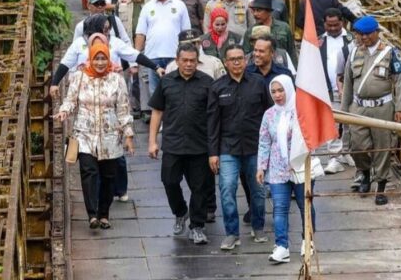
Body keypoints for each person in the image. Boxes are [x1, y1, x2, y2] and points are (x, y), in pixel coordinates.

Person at [54, 43, 134, 229]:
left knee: (108, 175)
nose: (99, 62)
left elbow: (123, 109)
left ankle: (104, 214)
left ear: (108, 59)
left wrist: (128, 135)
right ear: (90, 59)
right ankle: (92, 214)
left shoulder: (116, 80)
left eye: (103, 58)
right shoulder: (79, 77)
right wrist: (63, 111)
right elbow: (70, 100)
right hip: (84, 134)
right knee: (88, 172)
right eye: (96, 58)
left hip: (110, 135)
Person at [148, 43, 214, 244]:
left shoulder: (207, 82)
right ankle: (180, 212)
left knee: (200, 188)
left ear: (197, 62)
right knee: (169, 181)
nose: (188, 64)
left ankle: (197, 226)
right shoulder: (167, 82)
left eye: (192, 61)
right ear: (177, 61)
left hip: (200, 145)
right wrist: (152, 141)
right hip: (173, 143)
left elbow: (214, 115)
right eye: (184, 60)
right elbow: (157, 111)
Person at [209, 44, 272, 250]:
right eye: (232, 59)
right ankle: (232, 233)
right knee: (227, 189)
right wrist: (213, 153)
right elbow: (212, 123)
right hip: (227, 147)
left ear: (246, 61)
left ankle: (258, 226)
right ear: (225, 63)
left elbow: (269, 114)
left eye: (240, 58)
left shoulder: (258, 83)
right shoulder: (217, 87)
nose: (236, 62)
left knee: (258, 190)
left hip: (255, 147)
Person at [340, 16, 401, 205]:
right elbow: (347, 83)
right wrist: (344, 111)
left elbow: (400, 81)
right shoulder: (354, 53)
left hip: (383, 106)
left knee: (383, 147)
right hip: (359, 106)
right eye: (360, 34)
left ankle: (380, 186)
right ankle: (364, 172)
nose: (363, 37)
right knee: (357, 145)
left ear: (376, 32)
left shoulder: (390, 52)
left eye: (367, 34)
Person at [256, 74, 316, 263]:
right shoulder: (270, 114)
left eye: (281, 90)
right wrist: (261, 166)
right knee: (279, 208)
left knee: (304, 204)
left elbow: (311, 136)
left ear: (289, 89)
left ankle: (308, 240)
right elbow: (264, 141)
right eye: (273, 91)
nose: (277, 95)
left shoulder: (301, 110)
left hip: (300, 166)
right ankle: (282, 246)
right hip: (277, 168)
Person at [134, 0, 191, 96]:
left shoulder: (180, 5)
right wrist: (135, 57)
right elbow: (140, 33)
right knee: (155, 95)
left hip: (174, 56)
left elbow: (186, 33)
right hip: (152, 58)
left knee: (176, 93)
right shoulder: (147, 7)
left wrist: (186, 55)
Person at [318, 9, 354, 174]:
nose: (332, 28)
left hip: (351, 90)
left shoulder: (351, 40)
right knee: (332, 124)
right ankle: (334, 157)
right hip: (328, 90)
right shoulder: (318, 42)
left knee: (350, 124)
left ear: (343, 23)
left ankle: (346, 151)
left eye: (336, 25)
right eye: (329, 25)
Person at [117, 0, 154, 117]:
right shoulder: (122, 2)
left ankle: (145, 108)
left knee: (144, 76)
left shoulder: (152, 1)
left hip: (147, 43)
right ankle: (133, 106)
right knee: (129, 75)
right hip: (128, 44)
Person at [243, 0, 297, 65]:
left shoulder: (284, 28)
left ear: (269, 12)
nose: (255, 14)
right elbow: (246, 55)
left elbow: (291, 52)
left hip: (281, 66)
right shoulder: (250, 31)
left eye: (259, 10)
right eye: (254, 10)